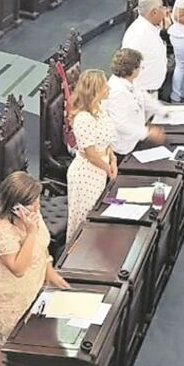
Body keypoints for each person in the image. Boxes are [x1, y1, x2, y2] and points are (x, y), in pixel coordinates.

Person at [0, 171, 70, 366]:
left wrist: (51, 274)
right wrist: (30, 231)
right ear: (15, 206)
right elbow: (18, 268)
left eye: (37, 202)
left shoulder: (31, 212)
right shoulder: (0, 227)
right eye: (32, 204)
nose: (37, 207)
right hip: (6, 296)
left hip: (33, 287)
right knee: (5, 345)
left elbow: (42, 246)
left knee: (29, 339)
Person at [66, 69, 116, 240]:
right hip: (86, 174)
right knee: (85, 219)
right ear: (95, 90)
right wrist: (108, 168)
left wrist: (113, 159)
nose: (108, 88)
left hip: (101, 169)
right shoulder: (83, 119)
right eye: (104, 86)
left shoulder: (100, 110)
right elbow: (91, 154)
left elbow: (107, 140)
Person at [107, 48, 166, 158]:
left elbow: (144, 98)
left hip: (136, 138)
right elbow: (120, 124)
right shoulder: (117, 91)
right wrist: (147, 133)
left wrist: (163, 111)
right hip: (123, 146)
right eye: (140, 67)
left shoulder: (132, 80)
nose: (141, 70)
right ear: (133, 70)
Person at [122, 0, 168, 97]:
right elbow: (126, 67)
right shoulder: (138, 34)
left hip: (149, 92)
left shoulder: (151, 28)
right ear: (154, 12)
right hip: (141, 94)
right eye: (162, 7)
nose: (165, 11)